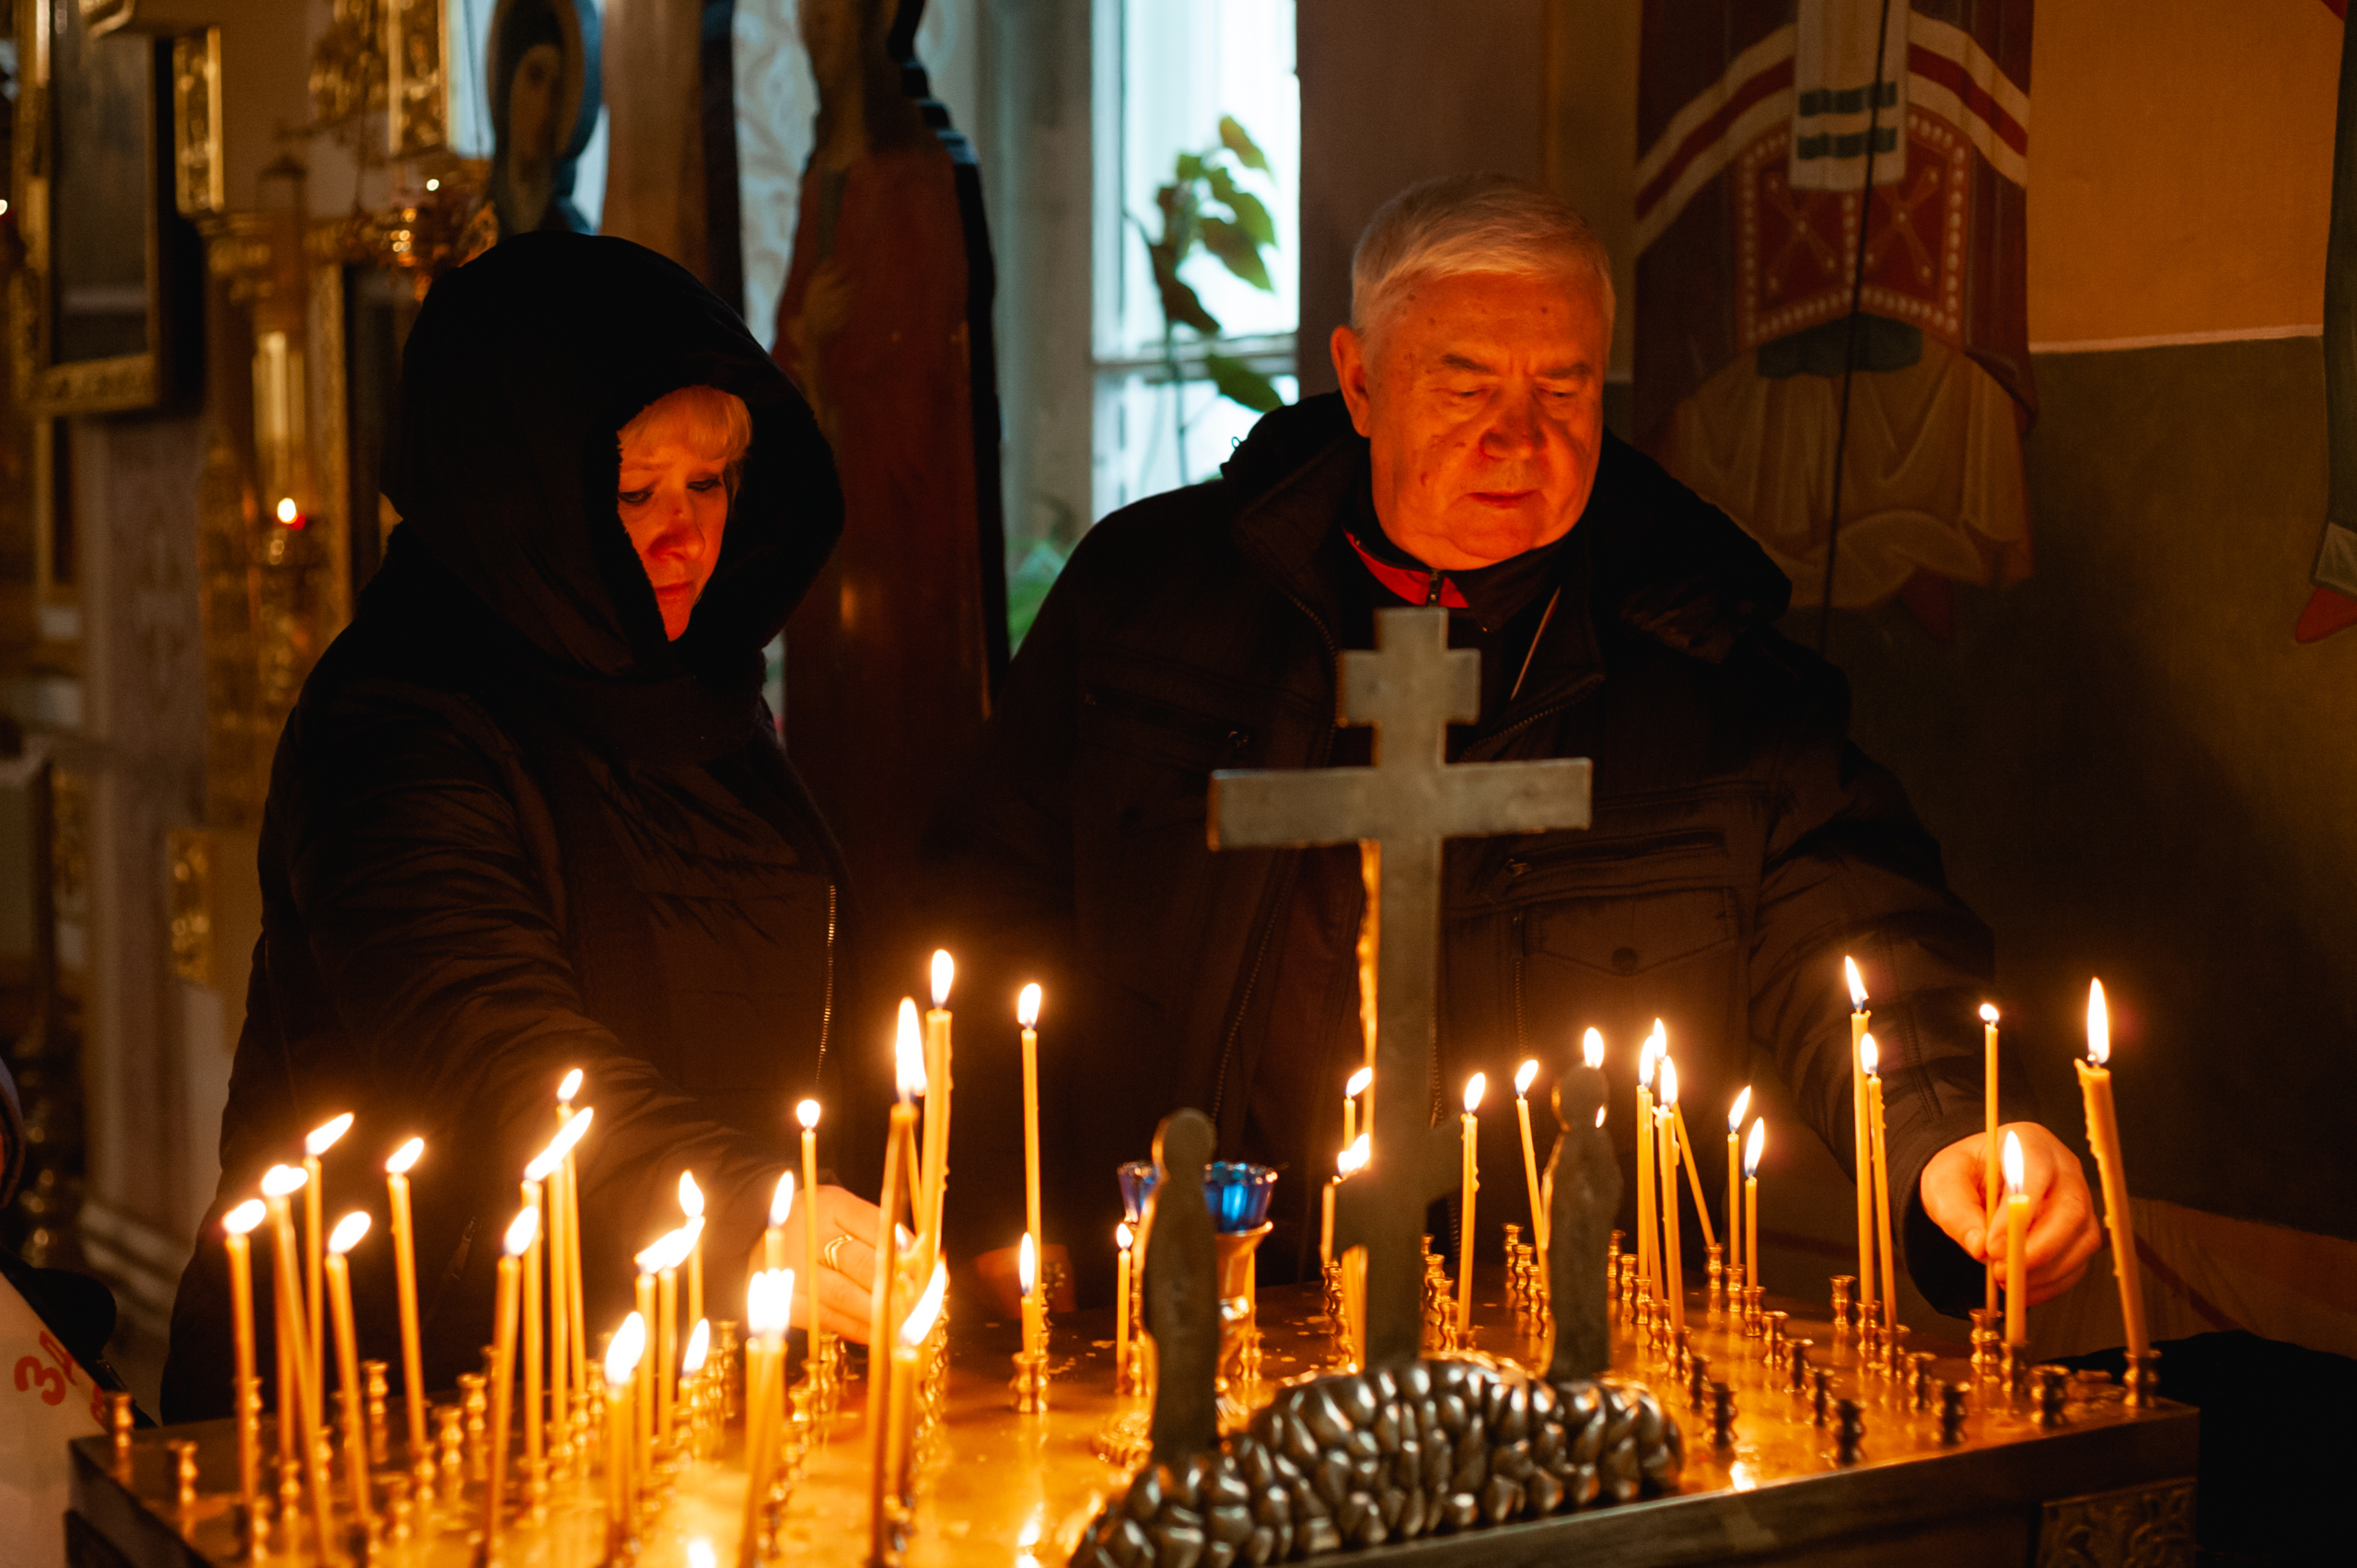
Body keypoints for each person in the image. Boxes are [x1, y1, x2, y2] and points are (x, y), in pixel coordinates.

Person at [929, 175, 2102, 1315]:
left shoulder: (1703, 658)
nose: (1518, 439)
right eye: (1465, 384)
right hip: (1182, 1305)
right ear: (1359, 380)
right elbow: (987, 895)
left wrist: (1954, 1131)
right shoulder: (1149, 594)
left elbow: (1855, 924)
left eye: (1563, 388)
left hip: (1545, 1335)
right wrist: (980, 1197)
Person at [163, 234, 882, 1423]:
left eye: (710, 485)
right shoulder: (394, 718)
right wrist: (755, 1212)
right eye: (635, 491)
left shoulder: (696, 686)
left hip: (650, 1370)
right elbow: (488, 1052)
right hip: (384, 1394)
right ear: (525, 494)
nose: (685, 537)